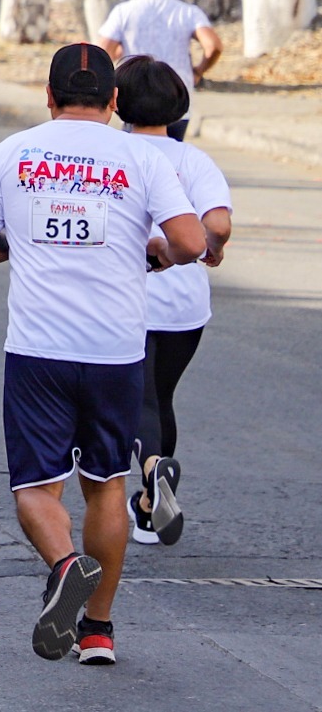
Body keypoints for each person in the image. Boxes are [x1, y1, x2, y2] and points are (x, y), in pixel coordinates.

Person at [0, 43, 206, 666]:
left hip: (38, 347)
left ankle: (66, 566)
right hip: (116, 351)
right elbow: (192, 239)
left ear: (48, 97)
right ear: (113, 101)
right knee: (106, 487)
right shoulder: (138, 155)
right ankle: (97, 630)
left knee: (36, 488)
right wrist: (155, 254)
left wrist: (26, 246)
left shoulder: (13, 151)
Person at [113, 57, 233, 548]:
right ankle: (147, 508)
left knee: (134, 402)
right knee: (160, 400)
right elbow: (218, 225)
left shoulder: (111, 153)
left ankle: (151, 468)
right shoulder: (194, 160)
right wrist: (214, 250)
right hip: (185, 307)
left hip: (126, 296)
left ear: (115, 102)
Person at [97, 0, 223, 142]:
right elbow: (213, 46)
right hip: (176, 101)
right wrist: (198, 71)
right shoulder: (188, 12)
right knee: (171, 159)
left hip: (133, 98)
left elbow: (102, 52)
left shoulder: (124, 12)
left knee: (133, 160)